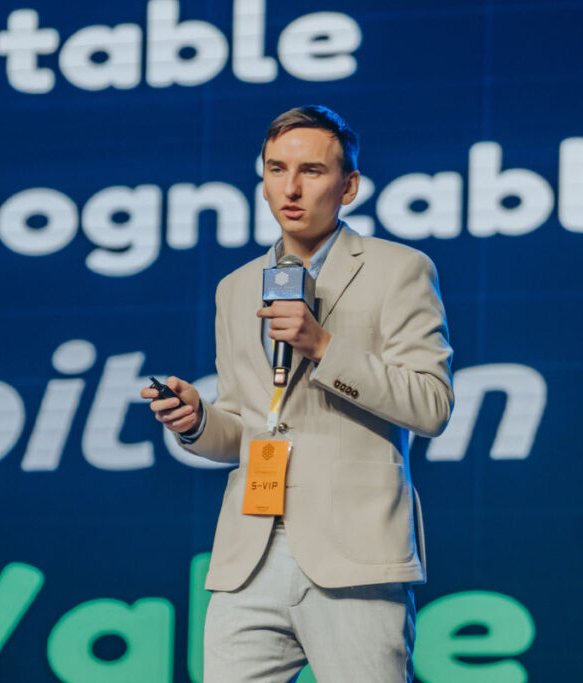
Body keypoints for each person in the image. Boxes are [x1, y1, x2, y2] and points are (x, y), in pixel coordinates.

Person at [141, 105, 453, 683]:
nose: (290, 188)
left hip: (353, 553)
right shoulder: (235, 288)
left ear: (348, 186)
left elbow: (431, 405)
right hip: (250, 552)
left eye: (311, 171)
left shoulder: (399, 270)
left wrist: (324, 348)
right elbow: (247, 426)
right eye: (276, 169)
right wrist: (196, 420)